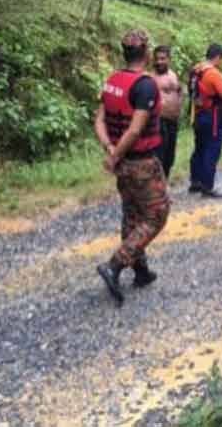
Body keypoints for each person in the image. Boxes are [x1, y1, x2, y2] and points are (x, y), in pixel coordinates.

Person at [93, 30, 171, 305]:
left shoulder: (113, 80)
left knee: (132, 214)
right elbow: (136, 129)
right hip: (140, 162)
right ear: (147, 53)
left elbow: (99, 120)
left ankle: (141, 271)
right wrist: (116, 155)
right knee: (156, 214)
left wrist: (110, 149)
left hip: (122, 162)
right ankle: (114, 266)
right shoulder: (145, 85)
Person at [188, 43, 222, 198]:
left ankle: (195, 181)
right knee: (212, 150)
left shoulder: (196, 69)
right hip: (211, 117)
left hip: (197, 114)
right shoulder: (213, 73)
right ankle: (207, 186)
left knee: (199, 148)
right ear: (218, 57)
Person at [151, 45, 182, 179]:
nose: (159, 62)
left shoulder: (173, 75)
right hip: (159, 121)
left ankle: (164, 186)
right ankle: (157, 188)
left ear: (169, 59)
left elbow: (178, 91)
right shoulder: (151, 77)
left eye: (163, 58)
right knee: (159, 157)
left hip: (172, 121)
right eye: (157, 59)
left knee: (170, 157)